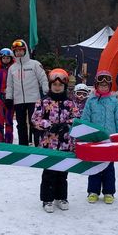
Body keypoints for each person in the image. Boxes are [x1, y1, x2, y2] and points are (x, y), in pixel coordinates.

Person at [31, 68, 81, 213]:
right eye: (55, 85)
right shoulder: (44, 102)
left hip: (65, 143)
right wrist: (49, 126)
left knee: (63, 172)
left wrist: (67, 125)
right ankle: (47, 198)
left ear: (65, 86)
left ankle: (61, 197)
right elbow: (35, 119)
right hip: (49, 144)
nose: (57, 88)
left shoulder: (70, 103)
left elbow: (77, 118)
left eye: (60, 85)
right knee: (49, 172)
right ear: (50, 85)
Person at [81, 70, 118, 204]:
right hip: (95, 139)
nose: (103, 87)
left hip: (110, 139)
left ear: (110, 86)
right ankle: (93, 191)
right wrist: (85, 135)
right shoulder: (91, 101)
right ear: (96, 86)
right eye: (101, 85)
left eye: (106, 85)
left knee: (108, 167)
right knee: (94, 166)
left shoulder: (114, 101)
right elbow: (85, 118)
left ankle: (109, 191)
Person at [5, 39, 48, 146]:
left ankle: (37, 143)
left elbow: (43, 78)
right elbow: (9, 85)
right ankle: (22, 144)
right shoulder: (12, 68)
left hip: (34, 99)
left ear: (25, 51)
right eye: (16, 51)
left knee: (35, 123)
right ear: (13, 52)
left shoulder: (34, 64)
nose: (19, 52)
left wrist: (46, 91)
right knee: (21, 124)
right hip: (18, 100)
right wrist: (8, 98)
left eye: (21, 50)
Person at [0, 48, 15, 143]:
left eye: (8, 58)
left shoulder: (13, 70)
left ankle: (8, 141)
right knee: (0, 120)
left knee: (9, 120)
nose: (6, 60)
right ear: (1, 59)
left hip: (10, 97)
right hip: (0, 97)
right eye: (4, 58)